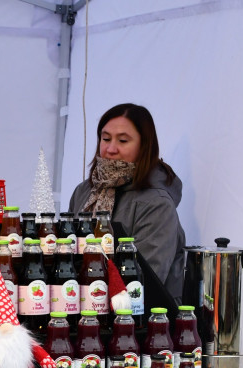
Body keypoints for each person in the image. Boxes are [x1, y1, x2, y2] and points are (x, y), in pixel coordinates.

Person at [68, 103, 186, 303]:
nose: (111, 149)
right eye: (105, 139)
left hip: (143, 321)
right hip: (84, 308)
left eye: (123, 140)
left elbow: (141, 281)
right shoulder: (84, 191)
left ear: (144, 146)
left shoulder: (157, 204)